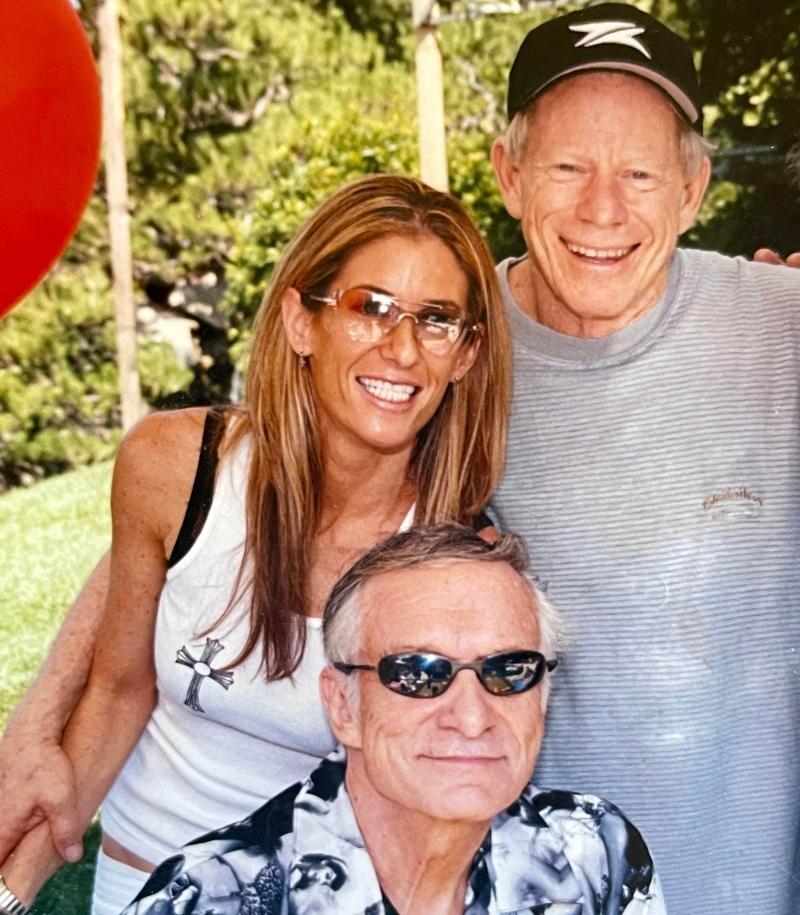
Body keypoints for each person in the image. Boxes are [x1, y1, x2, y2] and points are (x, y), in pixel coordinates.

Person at [0, 174, 510, 915]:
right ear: (301, 320)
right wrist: (13, 888)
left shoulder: (459, 563)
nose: (402, 348)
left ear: (464, 356)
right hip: (134, 886)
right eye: (370, 307)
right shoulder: (176, 468)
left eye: (436, 321)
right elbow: (118, 692)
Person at [488, 5, 800, 913]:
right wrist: (49, 720)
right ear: (510, 175)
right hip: (530, 890)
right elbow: (238, 497)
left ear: (694, 189)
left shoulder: (780, 327)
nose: (602, 210)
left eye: (639, 173)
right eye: (568, 167)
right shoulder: (444, 355)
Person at [122, 523, 666, 915]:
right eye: (417, 674)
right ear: (342, 706)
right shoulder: (214, 897)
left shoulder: (594, 850)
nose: (473, 717)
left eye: (509, 670)